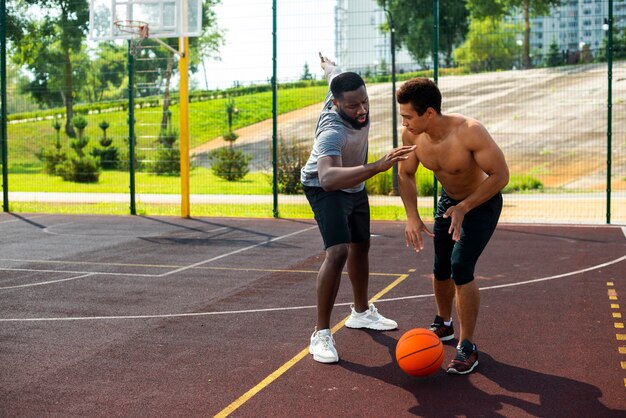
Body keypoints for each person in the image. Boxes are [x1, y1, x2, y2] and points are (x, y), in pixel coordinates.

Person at [301, 54, 416, 364]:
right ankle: (321, 333)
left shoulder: (343, 91)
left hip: (354, 185)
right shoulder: (332, 131)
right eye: (353, 106)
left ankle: (361, 312)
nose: (362, 110)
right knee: (338, 251)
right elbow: (327, 178)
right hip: (325, 187)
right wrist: (377, 167)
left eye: (364, 102)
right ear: (337, 105)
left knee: (361, 245)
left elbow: (334, 76)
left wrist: (327, 66)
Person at [396, 77, 509, 375]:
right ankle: (443, 323)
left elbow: (500, 176)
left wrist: (465, 207)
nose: (404, 123)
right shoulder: (411, 136)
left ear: (429, 113)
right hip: (450, 203)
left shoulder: (469, 132)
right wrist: (411, 216)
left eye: (408, 116)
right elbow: (406, 174)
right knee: (440, 267)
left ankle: (467, 345)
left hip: (481, 202)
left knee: (460, 267)